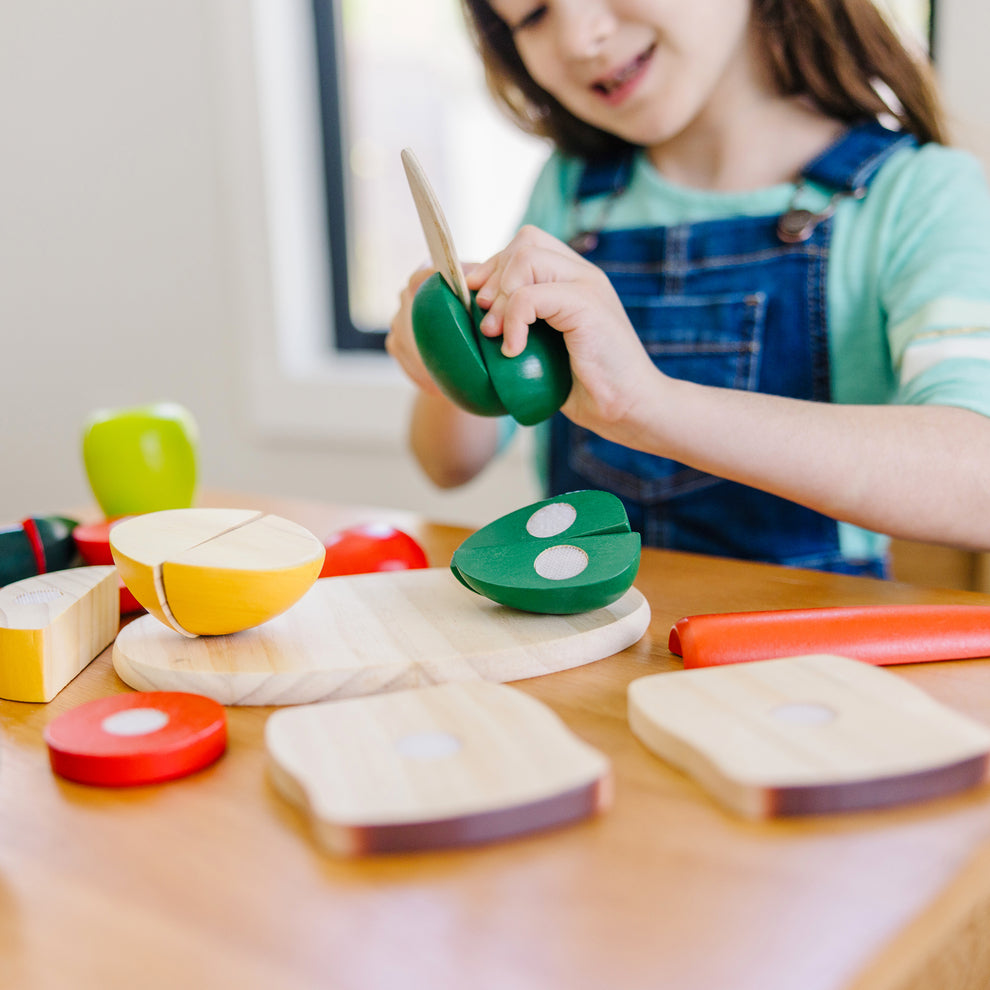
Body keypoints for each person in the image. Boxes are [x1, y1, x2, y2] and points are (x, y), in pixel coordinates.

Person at [386, 0, 990, 576]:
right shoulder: (570, 191)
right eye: (533, 14)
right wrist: (447, 354)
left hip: (804, 658)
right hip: (595, 643)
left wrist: (651, 406)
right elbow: (449, 464)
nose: (577, 38)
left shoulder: (918, 193)